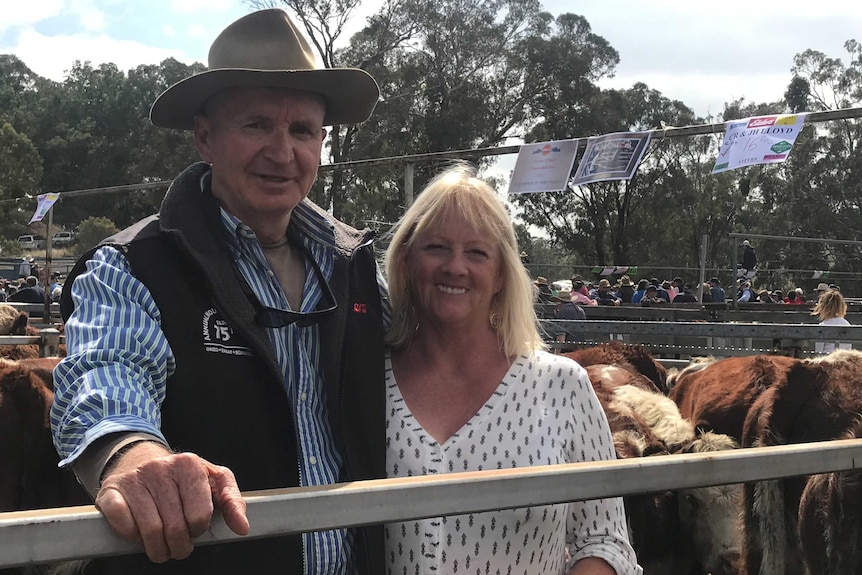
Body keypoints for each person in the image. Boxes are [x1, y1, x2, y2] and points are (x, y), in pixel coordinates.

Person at [50, 9, 387, 574]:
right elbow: (106, 371)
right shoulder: (132, 266)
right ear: (205, 138)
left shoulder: (355, 267)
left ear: (321, 142)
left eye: (302, 130)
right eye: (256, 125)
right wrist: (135, 456)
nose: (283, 153)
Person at [382, 164, 640, 575]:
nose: (456, 266)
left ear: (501, 274)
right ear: (408, 260)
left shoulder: (561, 385)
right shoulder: (368, 385)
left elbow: (604, 539)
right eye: (436, 248)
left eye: (477, 252)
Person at [812, 289, 852, 354]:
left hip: (827, 360)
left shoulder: (822, 326)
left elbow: (818, 352)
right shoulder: (847, 324)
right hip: (844, 360)